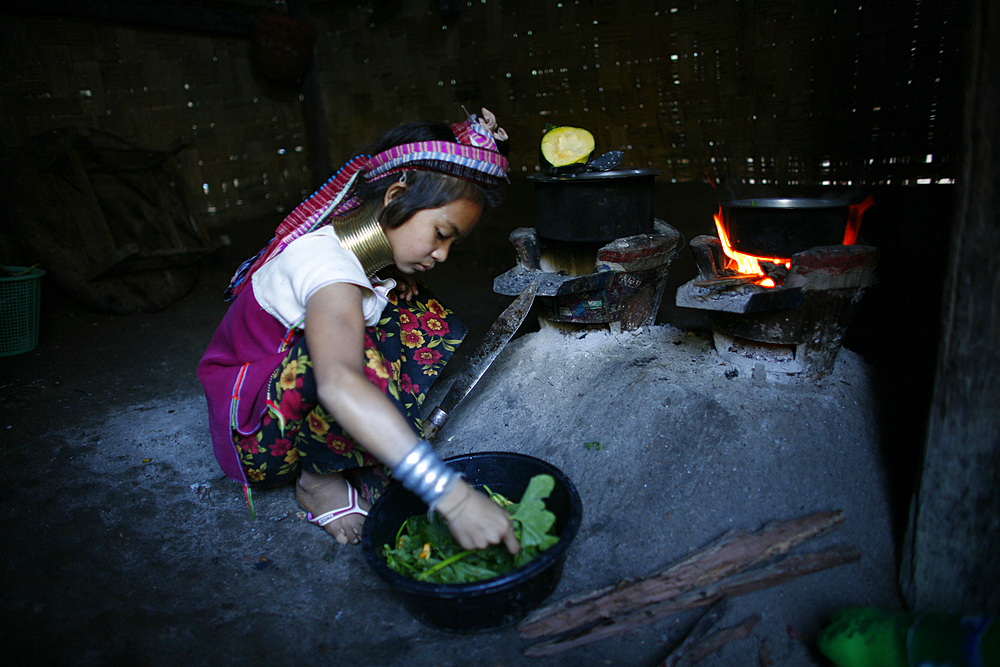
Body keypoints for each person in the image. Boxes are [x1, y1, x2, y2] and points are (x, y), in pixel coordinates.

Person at [197, 109, 520, 554]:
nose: (443, 253)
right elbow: (339, 381)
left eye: (453, 243)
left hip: (280, 396)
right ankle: (318, 482)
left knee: (418, 313)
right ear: (395, 196)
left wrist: (384, 279)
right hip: (255, 434)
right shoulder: (327, 268)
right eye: (441, 233)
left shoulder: (352, 253)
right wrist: (454, 497)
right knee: (352, 367)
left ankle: (372, 435)